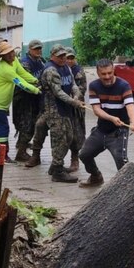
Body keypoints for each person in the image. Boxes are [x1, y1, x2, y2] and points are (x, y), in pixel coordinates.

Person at [0, 41, 40, 161]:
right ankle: (1, 155)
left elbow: (23, 73)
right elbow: (20, 82)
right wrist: (36, 90)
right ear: (2, 56)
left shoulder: (14, 61)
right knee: (3, 127)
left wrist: (35, 80)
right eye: (7, 54)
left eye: (12, 52)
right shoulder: (5, 69)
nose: (11, 55)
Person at [78, 58, 134, 188]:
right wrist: (111, 118)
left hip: (119, 131)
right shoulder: (94, 86)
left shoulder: (124, 85)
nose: (107, 76)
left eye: (110, 73)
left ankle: (128, 188)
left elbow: (130, 106)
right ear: (98, 73)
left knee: (121, 160)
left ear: (113, 70)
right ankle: (96, 177)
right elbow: (97, 110)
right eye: (103, 74)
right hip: (101, 129)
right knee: (84, 154)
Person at [37, 44, 84, 183]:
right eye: (60, 56)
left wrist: (76, 94)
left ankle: (54, 165)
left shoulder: (66, 68)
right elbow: (57, 92)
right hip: (54, 109)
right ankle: (57, 170)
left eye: (64, 55)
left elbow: (73, 84)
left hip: (65, 108)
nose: (63, 58)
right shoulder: (51, 70)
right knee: (59, 138)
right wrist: (73, 102)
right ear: (52, 56)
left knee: (69, 136)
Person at [12, 39, 45, 162]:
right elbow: (27, 81)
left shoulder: (40, 61)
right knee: (28, 125)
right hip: (24, 98)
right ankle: (21, 152)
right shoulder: (25, 63)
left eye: (40, 48)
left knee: (29, 124)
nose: (38, 51)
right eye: (36, 49)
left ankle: (21, 144)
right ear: (29, 50)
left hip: (34, 98)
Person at [65, 47, 86, 172]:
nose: (70, 60)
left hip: (77, 108)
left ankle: (75, 158)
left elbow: (83, 88)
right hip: (63, 107)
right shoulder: (60, 70)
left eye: (72, 58)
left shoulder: (79, 71)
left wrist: (75, 98)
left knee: (76, 135)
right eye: (67, 58)